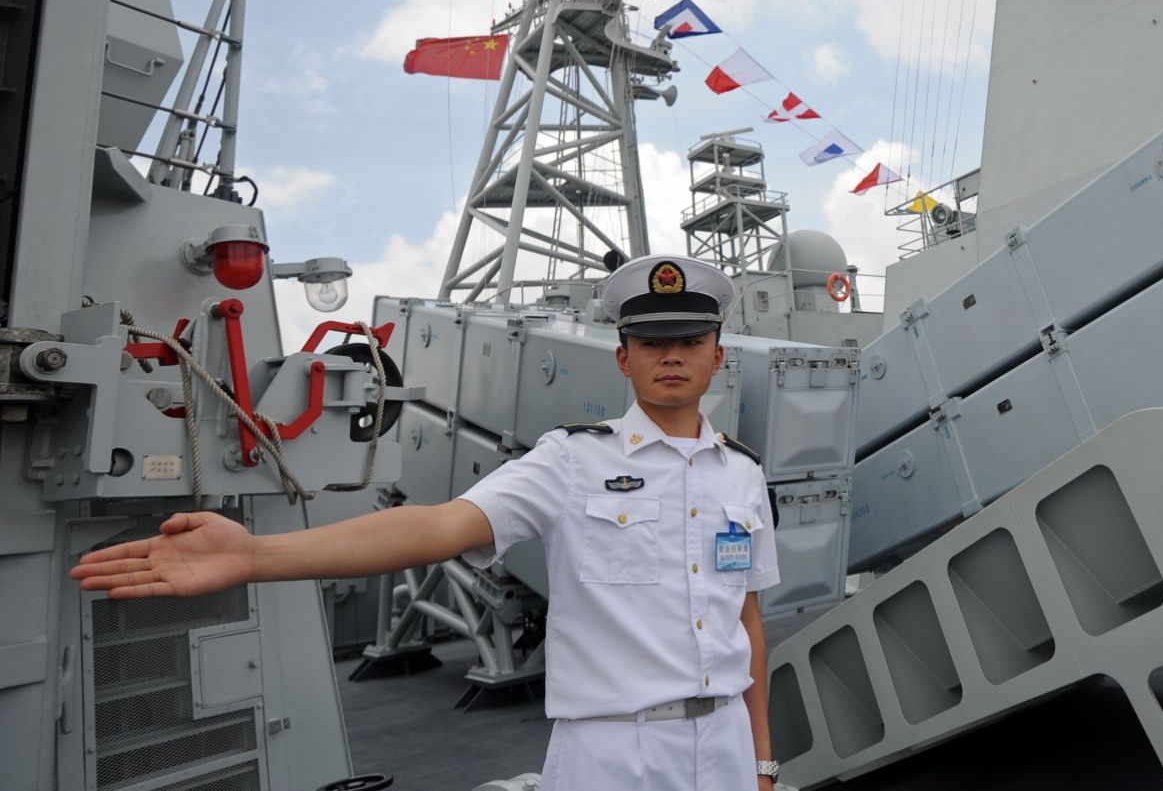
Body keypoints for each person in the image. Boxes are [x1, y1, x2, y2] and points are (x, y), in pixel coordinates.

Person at [71, 255, 783, 791]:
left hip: (722, 747)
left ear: (718, 356)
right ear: (623, 357)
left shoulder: (742, 474)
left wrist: (761, 759)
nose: (673, 355)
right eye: (653, 341)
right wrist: (258, 554)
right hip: (613, 755)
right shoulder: (572, 461)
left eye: (690, 339)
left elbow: (742, 621)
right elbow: (440, 526)